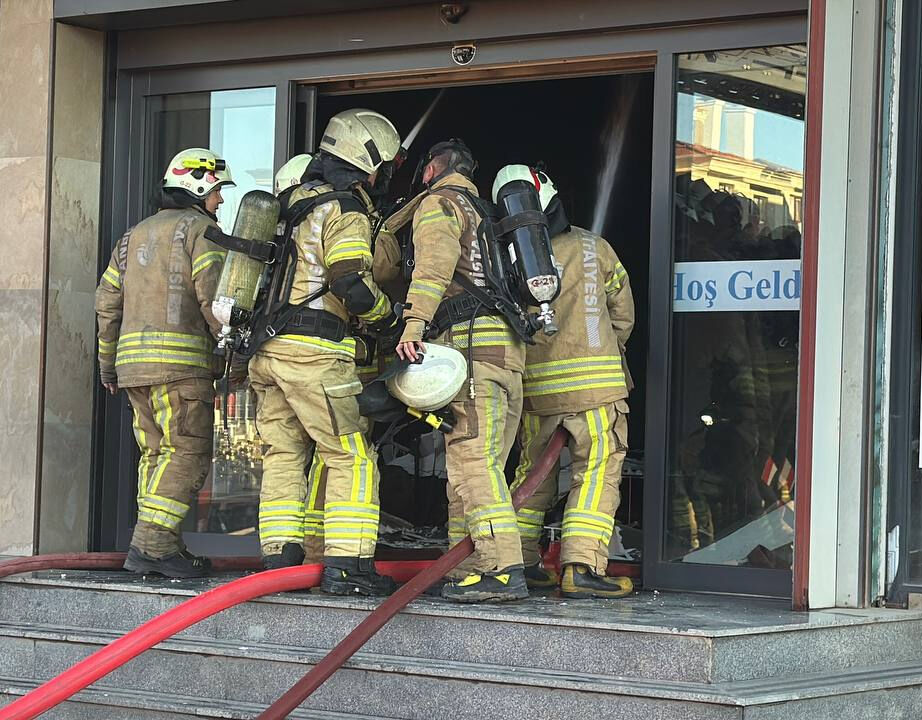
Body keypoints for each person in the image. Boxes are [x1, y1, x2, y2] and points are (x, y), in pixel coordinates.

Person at [250, 109, 401, 595]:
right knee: (352, 454)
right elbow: (349, 281)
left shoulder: (290, 202)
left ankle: (280, 559)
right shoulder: (346, 209)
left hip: (268, 351)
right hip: (316, 352)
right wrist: (388, 318)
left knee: (284, 454)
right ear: (369, 160)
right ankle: (348, 566)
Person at [389, 140, 529, 602]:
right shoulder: (487, 213)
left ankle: (501, 568)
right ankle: (465, 567)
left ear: (432, 168)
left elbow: (432, 265)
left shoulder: (440, 203)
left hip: (472, 347)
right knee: (473, 465)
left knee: (473, 462)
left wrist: (414, 323)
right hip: (507, 353)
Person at [95, 147, 232, 578]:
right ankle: (152, 545)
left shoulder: (131, 236)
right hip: (182, 368)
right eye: (218, 192)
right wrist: (232, 352)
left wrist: (106, 364)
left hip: (133, 370)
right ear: (199, 185)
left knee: (156, 455)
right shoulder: (202, 232)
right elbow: (215, 299)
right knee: (187, 452)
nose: (221, 202)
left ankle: (164, 546)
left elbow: (106, 304)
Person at [509, 166, 636, 599]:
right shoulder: (594, 248)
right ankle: (580, 566)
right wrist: (599, 351)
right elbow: (623, 315)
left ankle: (520, 561)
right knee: (597, 472)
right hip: (597, 391)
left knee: (533, 474)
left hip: (534, 393)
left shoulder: (508, 256)